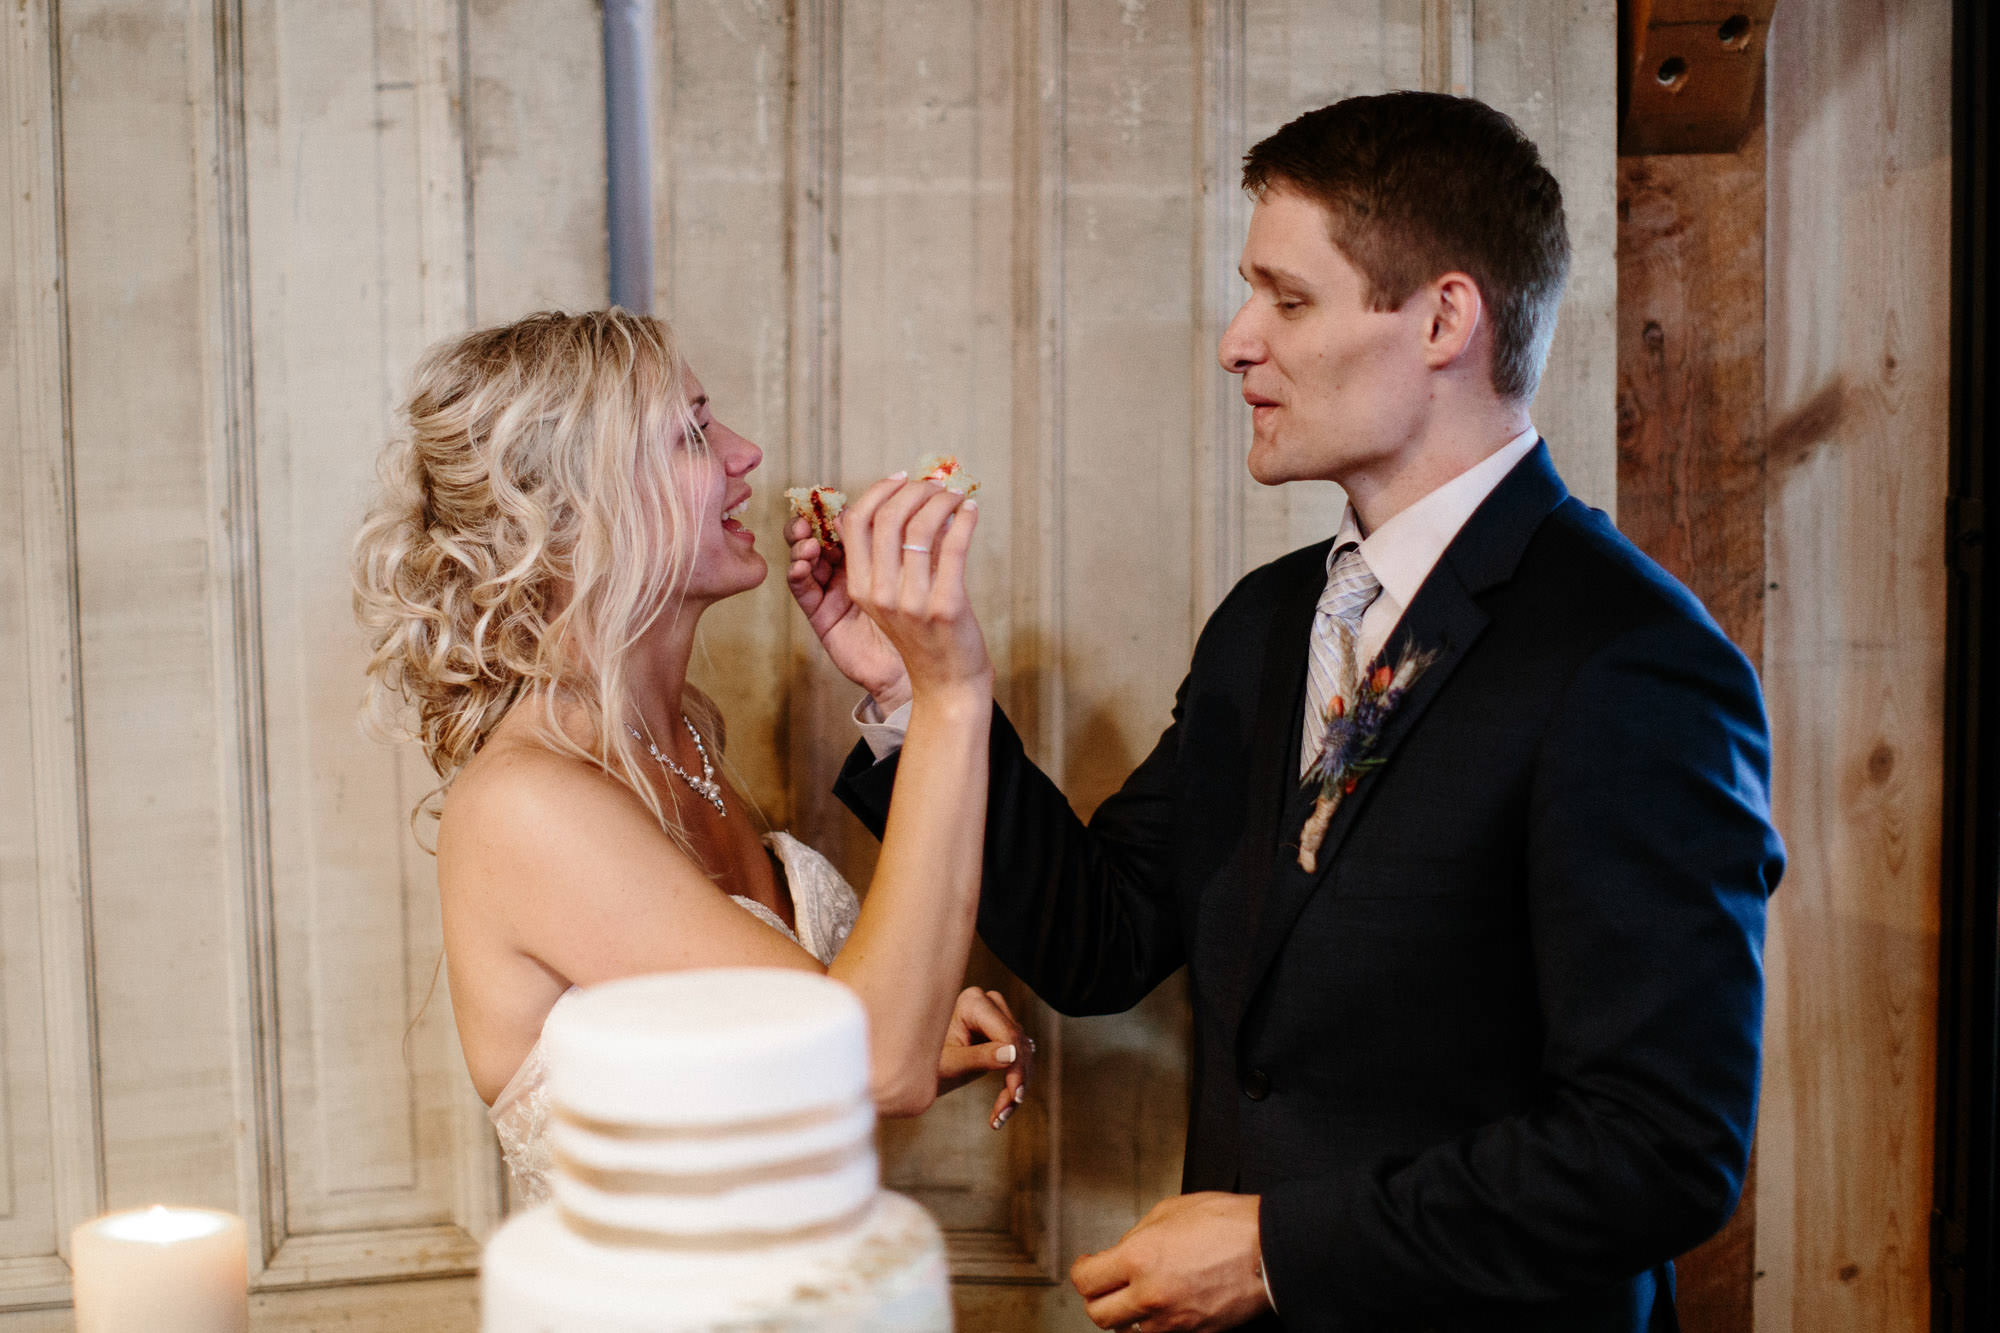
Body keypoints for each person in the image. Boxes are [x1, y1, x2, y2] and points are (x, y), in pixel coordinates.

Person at [789, 93, 1784, 1331]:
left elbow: (1657, 1148)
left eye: (1288, 299)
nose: (1234, 340)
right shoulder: (1266, 623)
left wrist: (1274, 1248)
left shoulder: (1629, 661)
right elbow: (1101, 935)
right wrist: (917, 695)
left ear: (1441, 317)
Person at [353, 309, 1032, 1206]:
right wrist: (948, 691)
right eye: (692, 432)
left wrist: (914, 1006)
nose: (746, 453)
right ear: (571, 512)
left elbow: (804, 1042)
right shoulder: (528, 803)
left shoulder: (684, 746)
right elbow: (871, 1062)